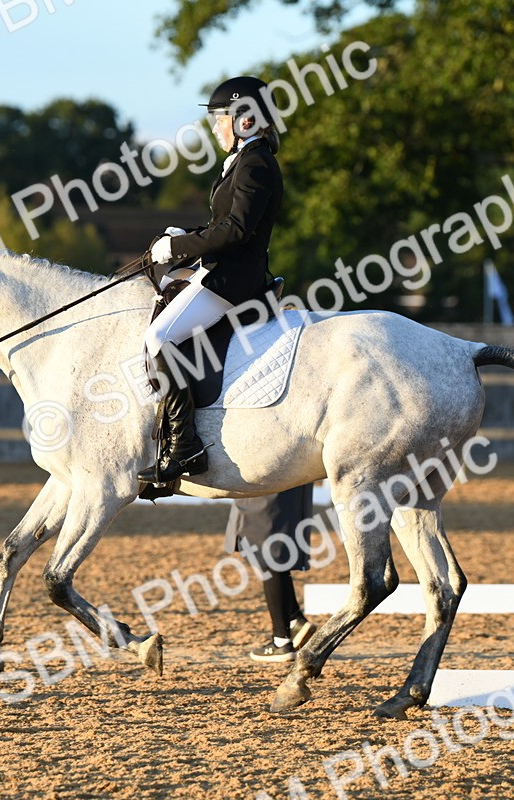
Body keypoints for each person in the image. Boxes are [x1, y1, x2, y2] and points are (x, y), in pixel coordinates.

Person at [138, 76, 284, 485]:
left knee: (160, 338)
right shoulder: (245, 160)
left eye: (221, 119)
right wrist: (179, 238)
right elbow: (221, 224)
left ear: (246, 120)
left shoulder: (255, 163)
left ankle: (184, 447)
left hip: (232, 279)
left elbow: (236, 229)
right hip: (222, 269)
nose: (216, 127)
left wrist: (181, 247)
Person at [225, 484, 317, 663]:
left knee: (267, 549)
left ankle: (281, 640)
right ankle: (293, 620)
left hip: (269, 478)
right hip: (292, 478)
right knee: (272, 548)